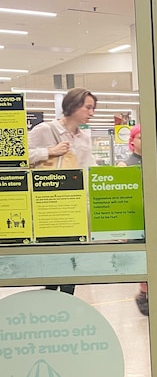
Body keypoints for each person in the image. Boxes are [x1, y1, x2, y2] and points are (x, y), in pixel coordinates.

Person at [29, 87, 97, 295]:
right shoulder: (45, 130)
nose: (91, 113)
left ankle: (66, 301)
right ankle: (50, 300)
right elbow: (19, 157)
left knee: (72, 260)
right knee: (52, 258)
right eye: (88, 107)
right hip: (50, 205)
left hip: (74, 207)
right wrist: (49, 151)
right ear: (73, 105)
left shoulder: (84, 137)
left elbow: (88, 169)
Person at [117, 124, 148, 315]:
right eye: (140, 137)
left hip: (154, 218)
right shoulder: (125, 165)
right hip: (136, 220)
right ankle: (144, 294)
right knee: (141, 259)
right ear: (132, 141)